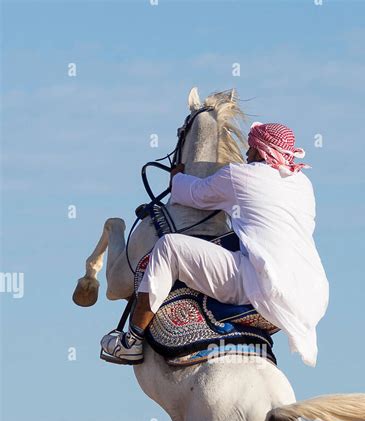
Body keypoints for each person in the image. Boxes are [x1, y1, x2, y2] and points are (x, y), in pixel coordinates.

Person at [101, 122, 329, 367]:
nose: (246, 153)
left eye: (250, 148)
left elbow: (191, 194)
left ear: (260, 151)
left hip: (263, 286)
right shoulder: (303, 185)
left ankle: (131, 341)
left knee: (169, 247)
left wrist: (177, 175)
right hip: (312, 296)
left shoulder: (239, 175)